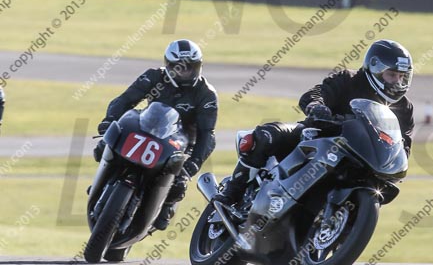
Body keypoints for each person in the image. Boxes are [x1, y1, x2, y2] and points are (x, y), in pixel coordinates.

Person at [217, 39, 414, 208]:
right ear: (376, 69)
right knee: (267, 135)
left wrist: (397, 161)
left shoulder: (404, 109)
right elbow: (316, 93)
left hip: (360, 160)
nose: (397, 82)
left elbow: (403, 144)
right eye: (392, 74)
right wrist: (317, 107)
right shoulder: (349, 79)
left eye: (402, 77)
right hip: (319, 136)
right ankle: (232, 192)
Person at [95, 39, 217, 229]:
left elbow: (207, 133)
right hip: (147, 129)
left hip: (181, 143)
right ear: (168, 65)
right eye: (179, 67)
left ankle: (166, 206)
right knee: (105, 145)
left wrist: (194, 162)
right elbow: (125, 100)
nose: (185, 72)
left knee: (178, 186)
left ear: (199, 66)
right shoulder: (153, 77)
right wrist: (109, 119)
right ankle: (102, 183)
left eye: (190, 67)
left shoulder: (206, 93)